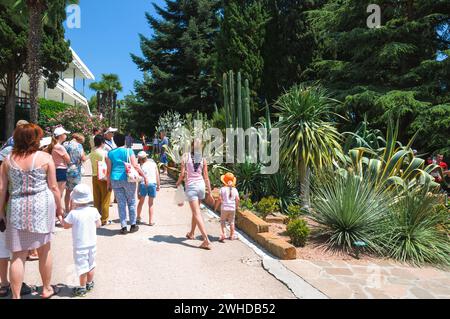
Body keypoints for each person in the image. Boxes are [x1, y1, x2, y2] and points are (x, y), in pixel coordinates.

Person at [0, 124, 63, 299]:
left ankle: (16, 296)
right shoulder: (44, 157)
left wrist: (0, 212)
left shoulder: (8, 160)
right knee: (45, 250)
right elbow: (53, 186)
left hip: (17, 206)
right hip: (41, 206)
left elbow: (1, 188)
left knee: (18, 255)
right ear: (36, 139)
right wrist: (60, 208)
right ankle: (46, 289)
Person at [61, 184, 101, 297]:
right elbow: (99, 224)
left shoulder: (73, 214)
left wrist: (61, 218)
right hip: (92, 244)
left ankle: (82, 288)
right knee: (91, 264)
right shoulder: (94, 211)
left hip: (80, 246)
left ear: (74, 200)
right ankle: (89, 283)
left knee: (82, 267)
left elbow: (66, 225)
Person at [175, 139, 214, 250]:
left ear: (191, 146)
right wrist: (210, 192)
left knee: (196, 213)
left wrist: (177, 183)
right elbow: (206, 177)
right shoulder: (203, 159)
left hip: (191, 187)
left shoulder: (185, 157)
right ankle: (191, 233)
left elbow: (182, 174)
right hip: (201, 186)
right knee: (195, 212)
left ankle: (206, 240)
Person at [106, 133, 147, 234]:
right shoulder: (129, 151)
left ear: (115, 141)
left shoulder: (111, 153)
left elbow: (109, 170)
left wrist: (108, 183)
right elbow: (135, 166)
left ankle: (123, 227)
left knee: (121, 203)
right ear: (124, 141)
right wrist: (144, 177)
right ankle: (133, 225)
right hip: (128, 179)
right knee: (131, 201)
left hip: (115, 179)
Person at [89, 135, 112, 226]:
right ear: (102, 142)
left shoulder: (92, 152)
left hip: (94, 176)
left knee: (97, 198)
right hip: (103, 177)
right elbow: (108, 165)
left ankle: (96, 218)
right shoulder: (104, 153)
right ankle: (104, 219)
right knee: (106, 198)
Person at [46, 127, 71, 209]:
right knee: (59, 193)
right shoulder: (59, 147)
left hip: (53, 169)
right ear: (60, 136)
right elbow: (68, 159)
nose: (66, 135)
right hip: (61, 170)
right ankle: (57, 212)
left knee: (53, 192)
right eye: (64, 134)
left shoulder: (52, 145)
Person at [64, 133, 88, 212]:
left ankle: (67, 209)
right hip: (75, 170)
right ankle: (72, 210)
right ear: (79, 139)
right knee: (74, 191)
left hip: (66, 169)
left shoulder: (65, 144)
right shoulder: (79, 146)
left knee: (67, 191)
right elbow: (83, 158)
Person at [214, 173, 240, 242]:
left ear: (224, 181)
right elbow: (238, 199)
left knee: (223, 221)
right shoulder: (235, 190)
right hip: (232, 208)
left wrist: (216, 207)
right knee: (231, 222)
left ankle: (224, 234)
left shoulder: (222, 189)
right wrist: (236, 207)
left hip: (224, 208)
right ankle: (231, 235)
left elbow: (219, 199)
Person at [136, 151, 160, 225]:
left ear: (139, 159)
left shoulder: (140, 166)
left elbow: (139, 180)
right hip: (152, 184)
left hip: (143, 184)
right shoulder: (153, 164)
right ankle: (151, 221)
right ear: (146, 157)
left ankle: (138, 217)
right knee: (151, 204)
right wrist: (158, 185)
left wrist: (138, 191)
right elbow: (157, 175)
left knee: (141, 202)